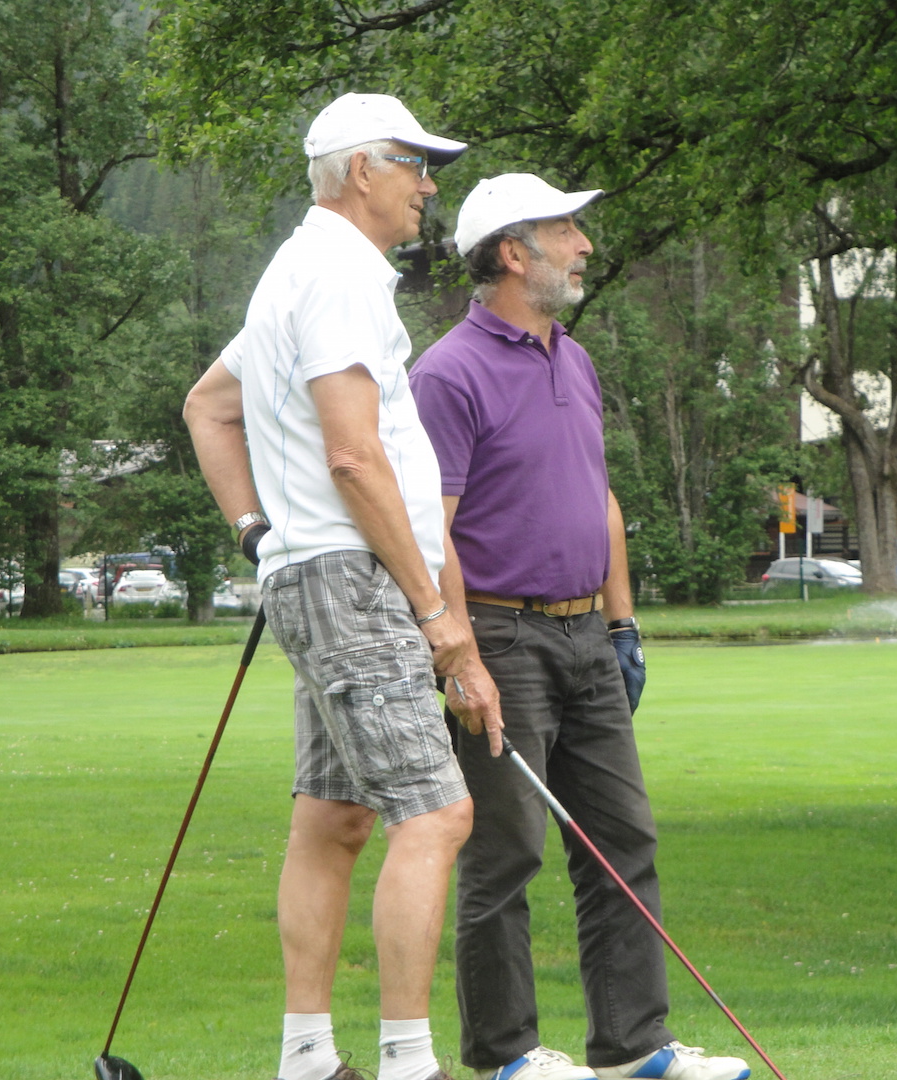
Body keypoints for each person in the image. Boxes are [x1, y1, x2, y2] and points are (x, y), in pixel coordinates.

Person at [183, 93, 502, 1080]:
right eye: (415, 165)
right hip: (355, 576)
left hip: (315, 569)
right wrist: (440, 615)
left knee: (335, 817)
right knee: (435, 813)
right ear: (363, 172)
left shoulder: (295, 272)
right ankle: (409, 1063)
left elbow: (210, 405)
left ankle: (309, 1060)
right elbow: (357, 460)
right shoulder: (339, 277)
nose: (429, 186)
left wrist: (256, 534)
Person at [408, 174, 750, 1080]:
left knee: (622, 841)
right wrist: (460, 650)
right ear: (513, 254)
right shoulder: (446, 374)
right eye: (566, 230)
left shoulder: (575, 356)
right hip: (500, 638)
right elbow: (429, 528)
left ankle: (634, 1048)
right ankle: (508, 1055)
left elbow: (599, 497)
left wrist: (623, 620)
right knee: (506, 852)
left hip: (587, 637)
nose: (584, 246)